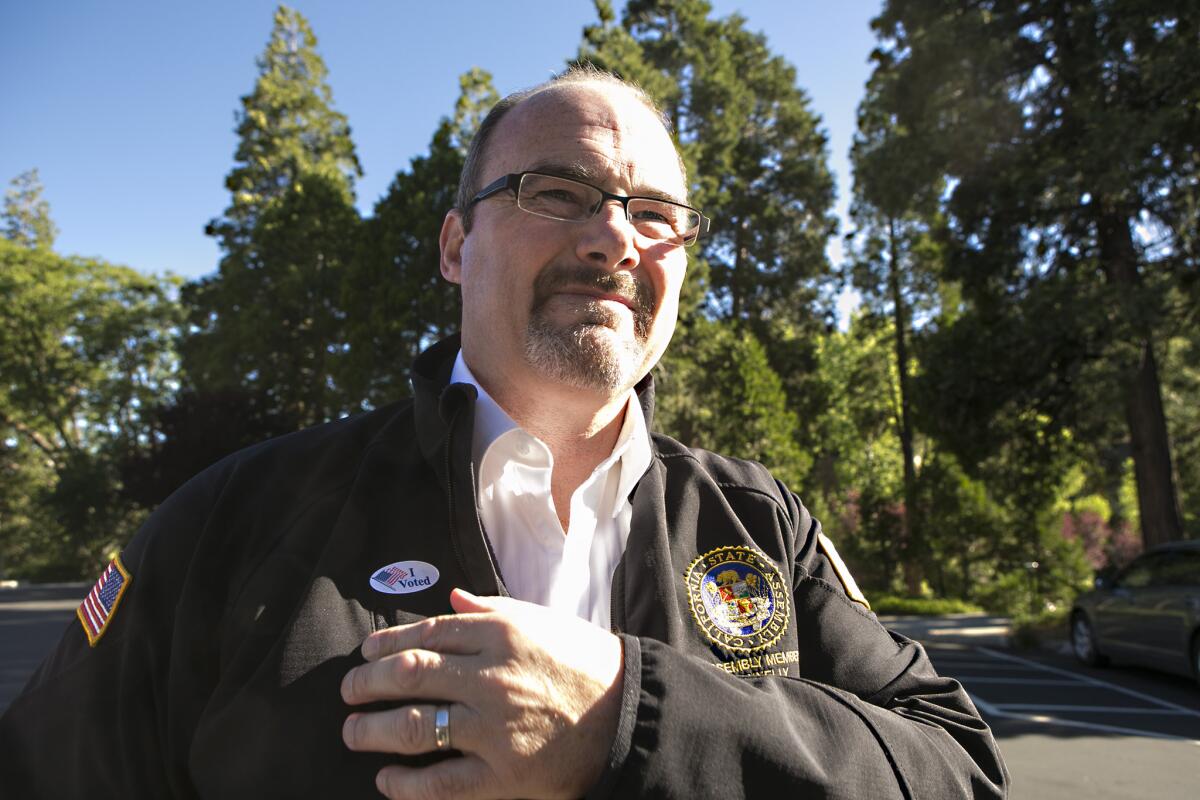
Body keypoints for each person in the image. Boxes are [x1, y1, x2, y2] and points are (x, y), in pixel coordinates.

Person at [0, 68, 1008, 799]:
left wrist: (630, 719)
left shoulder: (759, 523)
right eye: (558, 191)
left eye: (654, 212)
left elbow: (958, 767)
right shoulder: (231, 520)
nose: (615, 235)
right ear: (455, 244)